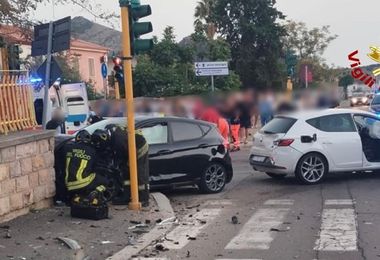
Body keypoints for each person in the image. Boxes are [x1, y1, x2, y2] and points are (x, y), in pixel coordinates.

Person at [105, 124, 150, 206]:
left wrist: (122, 163)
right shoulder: (116, 134)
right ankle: (127, 196)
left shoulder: (118, 138)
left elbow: (123, 152)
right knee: (126, 172)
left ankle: (144, 199)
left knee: (140, 173)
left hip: (139, 148)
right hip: (130, 149)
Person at [64, 130, 109, 205]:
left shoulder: (69, 149)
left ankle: (79, 198)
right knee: (105, 181)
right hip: (83, 182)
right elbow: (95, 167)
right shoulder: (92, 151)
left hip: (69, 184)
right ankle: (95, 192)